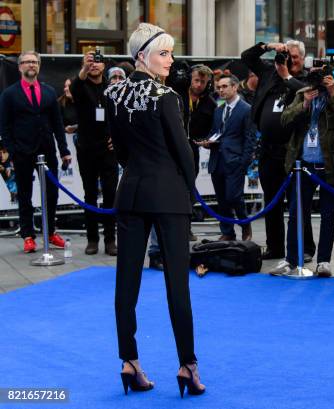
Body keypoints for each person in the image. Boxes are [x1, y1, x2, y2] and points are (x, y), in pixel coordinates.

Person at [105, 23, 204, 396]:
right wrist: (186, 187)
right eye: (164, 53)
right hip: (169, 197)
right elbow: (184, 154)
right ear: (142, 56)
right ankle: (188, 366)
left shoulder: (113, 95)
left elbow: (121, 153)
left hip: (130, 192)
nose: (171, 60)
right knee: (177, 285)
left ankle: (129, 361)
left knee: (125, 284)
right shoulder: (166, 97)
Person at [269, 65, 334, 277]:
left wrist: (333, 93)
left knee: (328, 215)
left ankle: (324, 261)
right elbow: (284, 119)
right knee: (297, 214)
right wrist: (305, 103)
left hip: (330, 164)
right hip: (304, 165)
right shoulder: (302, 94)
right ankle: (291, 260)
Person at [241, 40, 316, 261]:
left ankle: (306, 247)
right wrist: (268, 47)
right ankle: (275, 247)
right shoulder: (268, 72)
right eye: (287, 56)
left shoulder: (306, 78)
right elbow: (246, 56)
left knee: (298, 204)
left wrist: (287, 76)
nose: (290, 60)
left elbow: (307, 95)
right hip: (268, 149)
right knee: (272, 200)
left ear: (302, 59)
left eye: (294, 57)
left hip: (294, 151)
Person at [0, 51, 70, 253]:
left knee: (52, 194)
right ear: (20, 66)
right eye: (27, 62)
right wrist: (13, 152)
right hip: (22, 152)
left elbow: (58, 124)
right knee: (24, 195)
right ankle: (28, 236)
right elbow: (4, 127)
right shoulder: (9, 94)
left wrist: (63, 150)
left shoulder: (49, 92)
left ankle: (50, 233)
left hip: (47, 151)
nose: (31, 65)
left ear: (38, 66)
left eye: (34, 62)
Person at [70, 51, 118, 256]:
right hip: (87, 149)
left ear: (104, 66)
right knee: (90, 194)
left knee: (110, 195)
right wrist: (84, 69)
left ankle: (110, 240)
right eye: (90, 62)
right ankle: (92, 239)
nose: (94, 65)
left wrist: (117, 138)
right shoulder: (81, 86)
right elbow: (74, 87)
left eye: (98, 62)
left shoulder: (112, 87)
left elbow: (121, 115)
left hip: (108, 150)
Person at [202, 74, 256, 241]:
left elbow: (250, 138)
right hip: (217, 160)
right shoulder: (218, 110)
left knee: (234, 197)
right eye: (219, 87)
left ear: (235, 87)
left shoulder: (246, 109)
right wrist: (207, 141)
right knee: (221, 199)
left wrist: (243, 163)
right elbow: (214, 132)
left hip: (235, 162)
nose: (221, 90)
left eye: (224, 86)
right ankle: (227, 232)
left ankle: (245, 224)